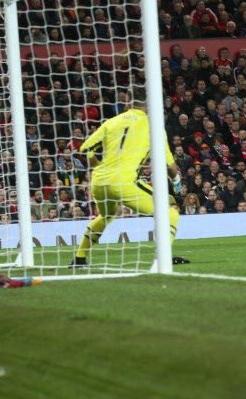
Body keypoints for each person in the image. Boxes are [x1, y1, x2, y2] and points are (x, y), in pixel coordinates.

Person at [71, 86, 183, 266]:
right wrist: (176, 182)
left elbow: (85, 149)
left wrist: (97, 166)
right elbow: (170, 167)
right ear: (149, 105)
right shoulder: (153, 127)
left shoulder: (111, 122)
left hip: (99, 182)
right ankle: (163, 257)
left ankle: (79, 258)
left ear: (128, 102)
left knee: (108, 215)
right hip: (125, 183)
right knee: (170, 211)